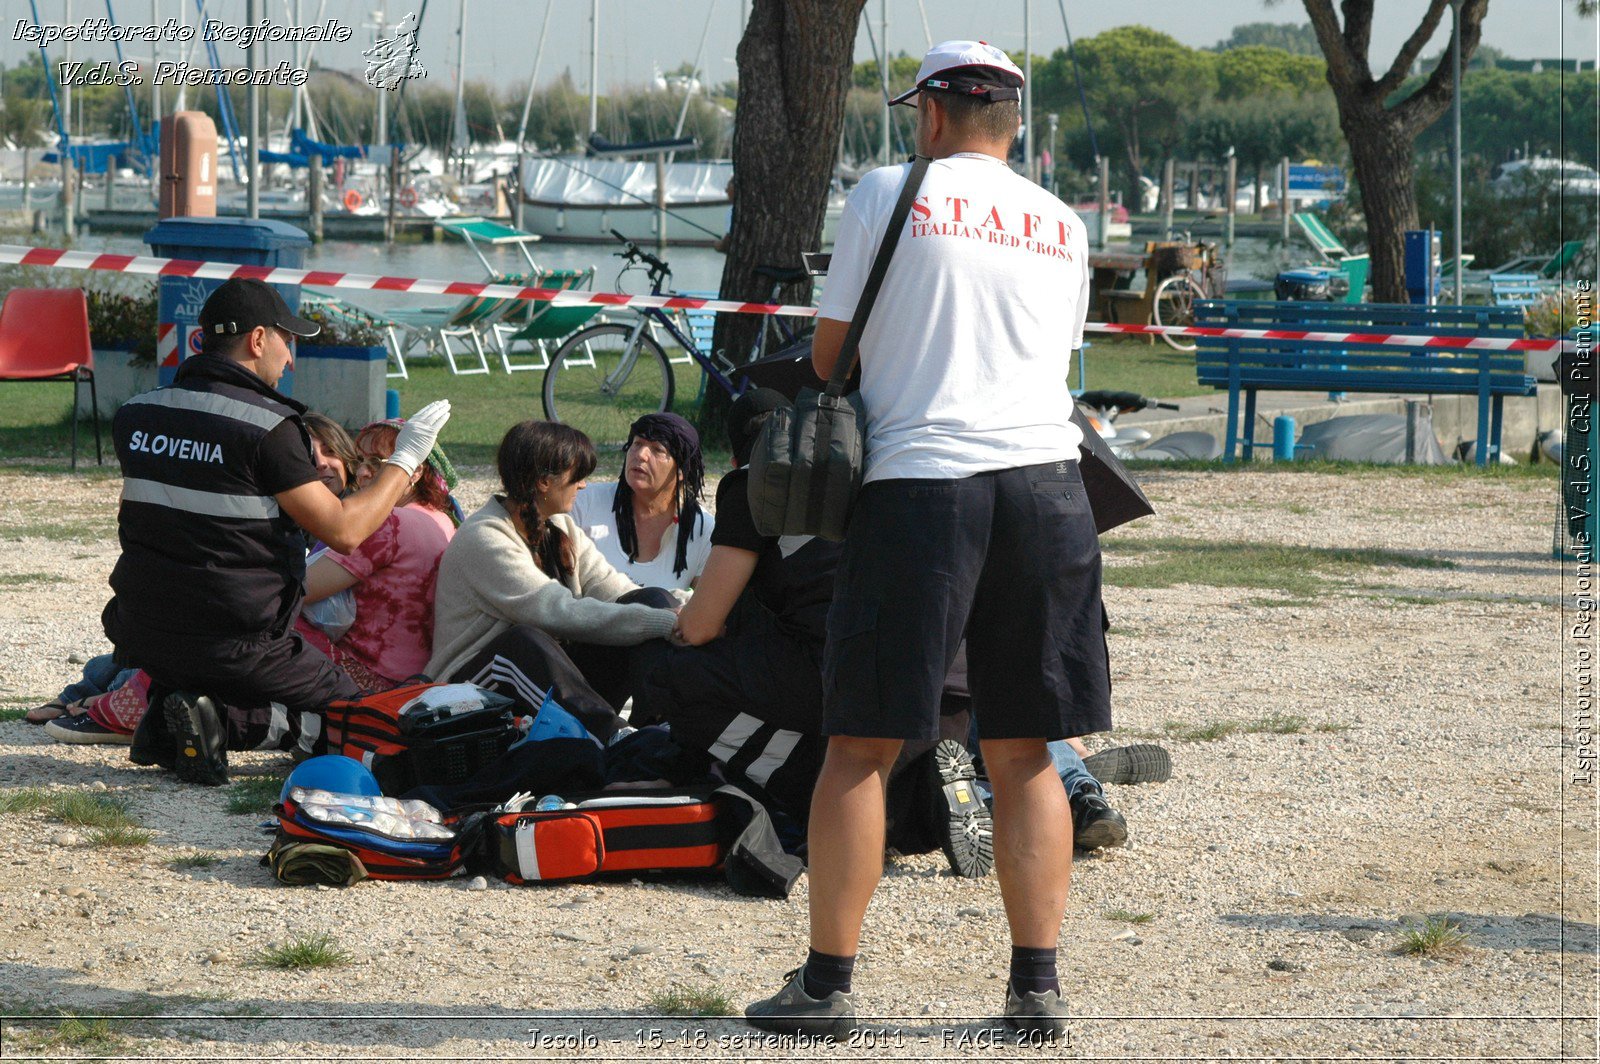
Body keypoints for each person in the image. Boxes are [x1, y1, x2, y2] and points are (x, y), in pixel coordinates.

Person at [745, 41, 1103, 1039]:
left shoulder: (884, 194)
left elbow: (828, 353)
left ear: (932, 114)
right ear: (1013, 124)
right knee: (1025, 747)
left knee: (860, 742)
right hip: (1047, 486)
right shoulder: (1061, 223)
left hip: (923, 489)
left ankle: (826, 983)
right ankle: (1035, 985)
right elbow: (1053, 363)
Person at [102, 277, 450, 785]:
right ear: (258, 340)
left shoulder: (137, 415)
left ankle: (175, 710)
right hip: (238, 640)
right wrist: (406, 458)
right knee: (364, 719)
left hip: (141, 628)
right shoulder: (268, 428)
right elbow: (346, 530)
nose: (290, 361)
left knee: (223, 663)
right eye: (288, 343)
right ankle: (217, 719)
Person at [634, 389, 991, 873]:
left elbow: (701, 626)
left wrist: (675, 628)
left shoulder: (752, 484)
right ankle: (936, 793)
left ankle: (809, 797)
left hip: (846, 669)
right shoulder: (872, 472)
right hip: (948, 677)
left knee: (677, 677)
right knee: (879, 774)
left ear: (740, 453)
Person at [40, 410, 369, 744]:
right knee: (153, 636)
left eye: (330, 452)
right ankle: (81, 693)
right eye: (310, 458)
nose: (324, 464)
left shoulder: (349, 518)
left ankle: (106, 702)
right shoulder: (277, 514)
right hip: (243, 636)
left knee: (173, 649)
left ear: (347, 456)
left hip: (273, 641)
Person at [426, 420, 681, 742]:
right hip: (468, 690)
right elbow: (555, 610)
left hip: (539, 678)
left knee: (652, 601)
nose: (585, 486)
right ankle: (614, 736)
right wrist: (662, 623)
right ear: (545, 482)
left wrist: (682, 610)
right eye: (578, 476)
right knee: (524, 640)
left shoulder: (559, 526)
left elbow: (614, 589)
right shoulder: (484, 537)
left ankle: (655, 730)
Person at [293, 420, 459, 692]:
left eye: (377, 463)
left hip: (373, 681)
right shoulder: (444, 519)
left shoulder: (390, 523)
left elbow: (298, 589)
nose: (363, 472)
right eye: (361, 461)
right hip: (423, 677)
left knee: (271, 617)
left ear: (414, 471)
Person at [568, 412, 714, 591]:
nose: (641, 455)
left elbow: (705, 610)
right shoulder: (584, 502)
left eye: (657, 449)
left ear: (682, 470)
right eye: (637, 444)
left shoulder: (701, 530)